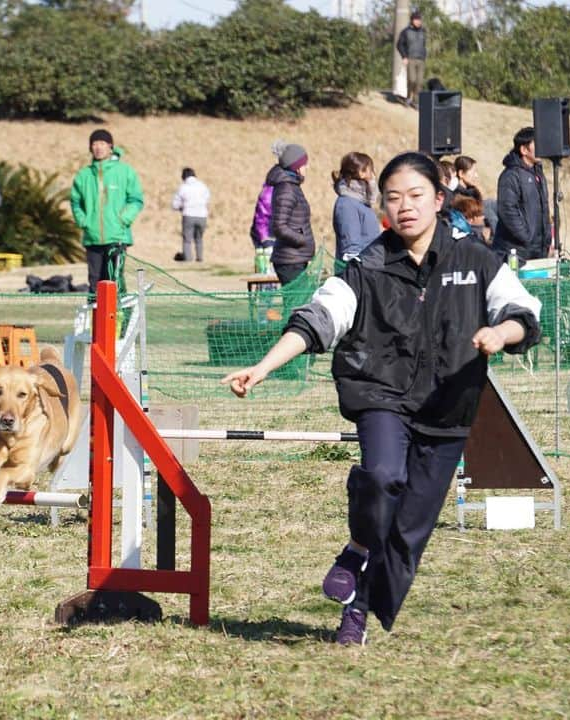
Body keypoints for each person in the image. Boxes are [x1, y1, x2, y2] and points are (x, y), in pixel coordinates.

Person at [221, 152, 541, 646]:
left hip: (449, 406)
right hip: (380, 394)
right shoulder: (366, 265)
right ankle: (356, 550)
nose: (405, 207)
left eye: (416, 196)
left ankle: (361, 604)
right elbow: (320, 318)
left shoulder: (476, 260)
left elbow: (522, 309)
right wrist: (264, 366)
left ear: (438, 199)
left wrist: (502, 333)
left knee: (408, 535)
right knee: (383, 476)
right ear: (381, 207)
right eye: (393, 198)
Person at [70, 129, 144, 294]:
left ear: (110, 147)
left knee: (114, 280)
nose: (98, 147)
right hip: (92, 238)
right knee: (94, 281)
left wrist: (122, 219)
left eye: (102, 143)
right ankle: (95, 318)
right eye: (95, 144)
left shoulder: (125, 172)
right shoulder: (83, 175)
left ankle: (120, 317)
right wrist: (84, 222)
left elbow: (136, 200)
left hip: (117, 237)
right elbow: (75, 202)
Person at [493, 127, 551, 264]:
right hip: (516, 251)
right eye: (537, 144)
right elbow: (507, 210)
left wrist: (546, 238)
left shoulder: (538, 173)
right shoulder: (511, 175)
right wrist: (526, 237)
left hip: (538, 250)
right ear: (524, 150)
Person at [267, 142, 315, 286]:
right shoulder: (286, 189)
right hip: (289, 260)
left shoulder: (293, 186)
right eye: (305, 164)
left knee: (299, 303)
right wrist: (301, 240)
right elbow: (279, 226)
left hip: (296, 258)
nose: (308, 167)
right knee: (296, 305)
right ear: (297, 167)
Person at [331, 152, 380, 273]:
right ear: (360, 172)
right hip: (358, 274)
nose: (373, 174)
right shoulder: (347, 204)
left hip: (370, 269)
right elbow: (351, 248)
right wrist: (358, 277)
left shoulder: (362, 203)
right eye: (370, 169)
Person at [171, 167, 210, 262]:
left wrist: (180, 208)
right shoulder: (202, 186)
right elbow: (207, 198)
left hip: (188, 214)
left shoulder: (183, 187)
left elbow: (175, 204)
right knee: (199, 238)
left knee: (187, 239)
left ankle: (188, 260)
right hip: (202, 215)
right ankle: (200, 258)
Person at [397, 9, 427, 108]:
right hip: (410, 59)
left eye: (420, 19)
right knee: (412, 79)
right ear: (412, 20)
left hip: (421, 60)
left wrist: (424, 55)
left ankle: (416, 101)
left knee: (419, 82)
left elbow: (423, 45)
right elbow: (399, 45)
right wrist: (404, 57)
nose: (419, 21)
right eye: (416, 19)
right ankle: (408, 97)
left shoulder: (423, 31)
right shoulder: (405, 31)